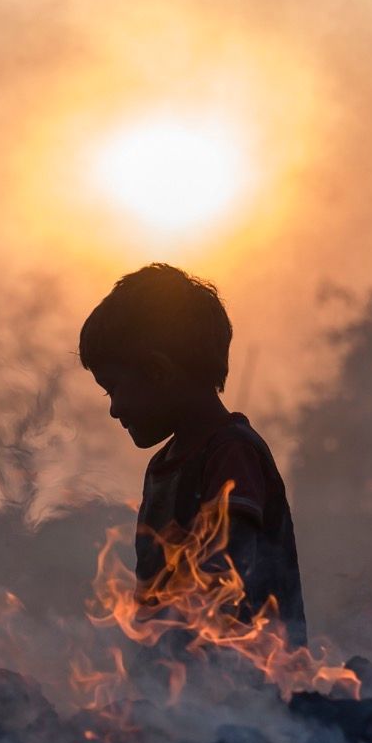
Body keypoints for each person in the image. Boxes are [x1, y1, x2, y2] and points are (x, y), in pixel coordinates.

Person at [79, 263, 307, 650]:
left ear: (158, 372)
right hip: (183, 691)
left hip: (251, 685)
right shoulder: (163, 468)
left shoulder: (231, 453)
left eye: (113, 389)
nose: (114, 410)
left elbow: (225, 576)